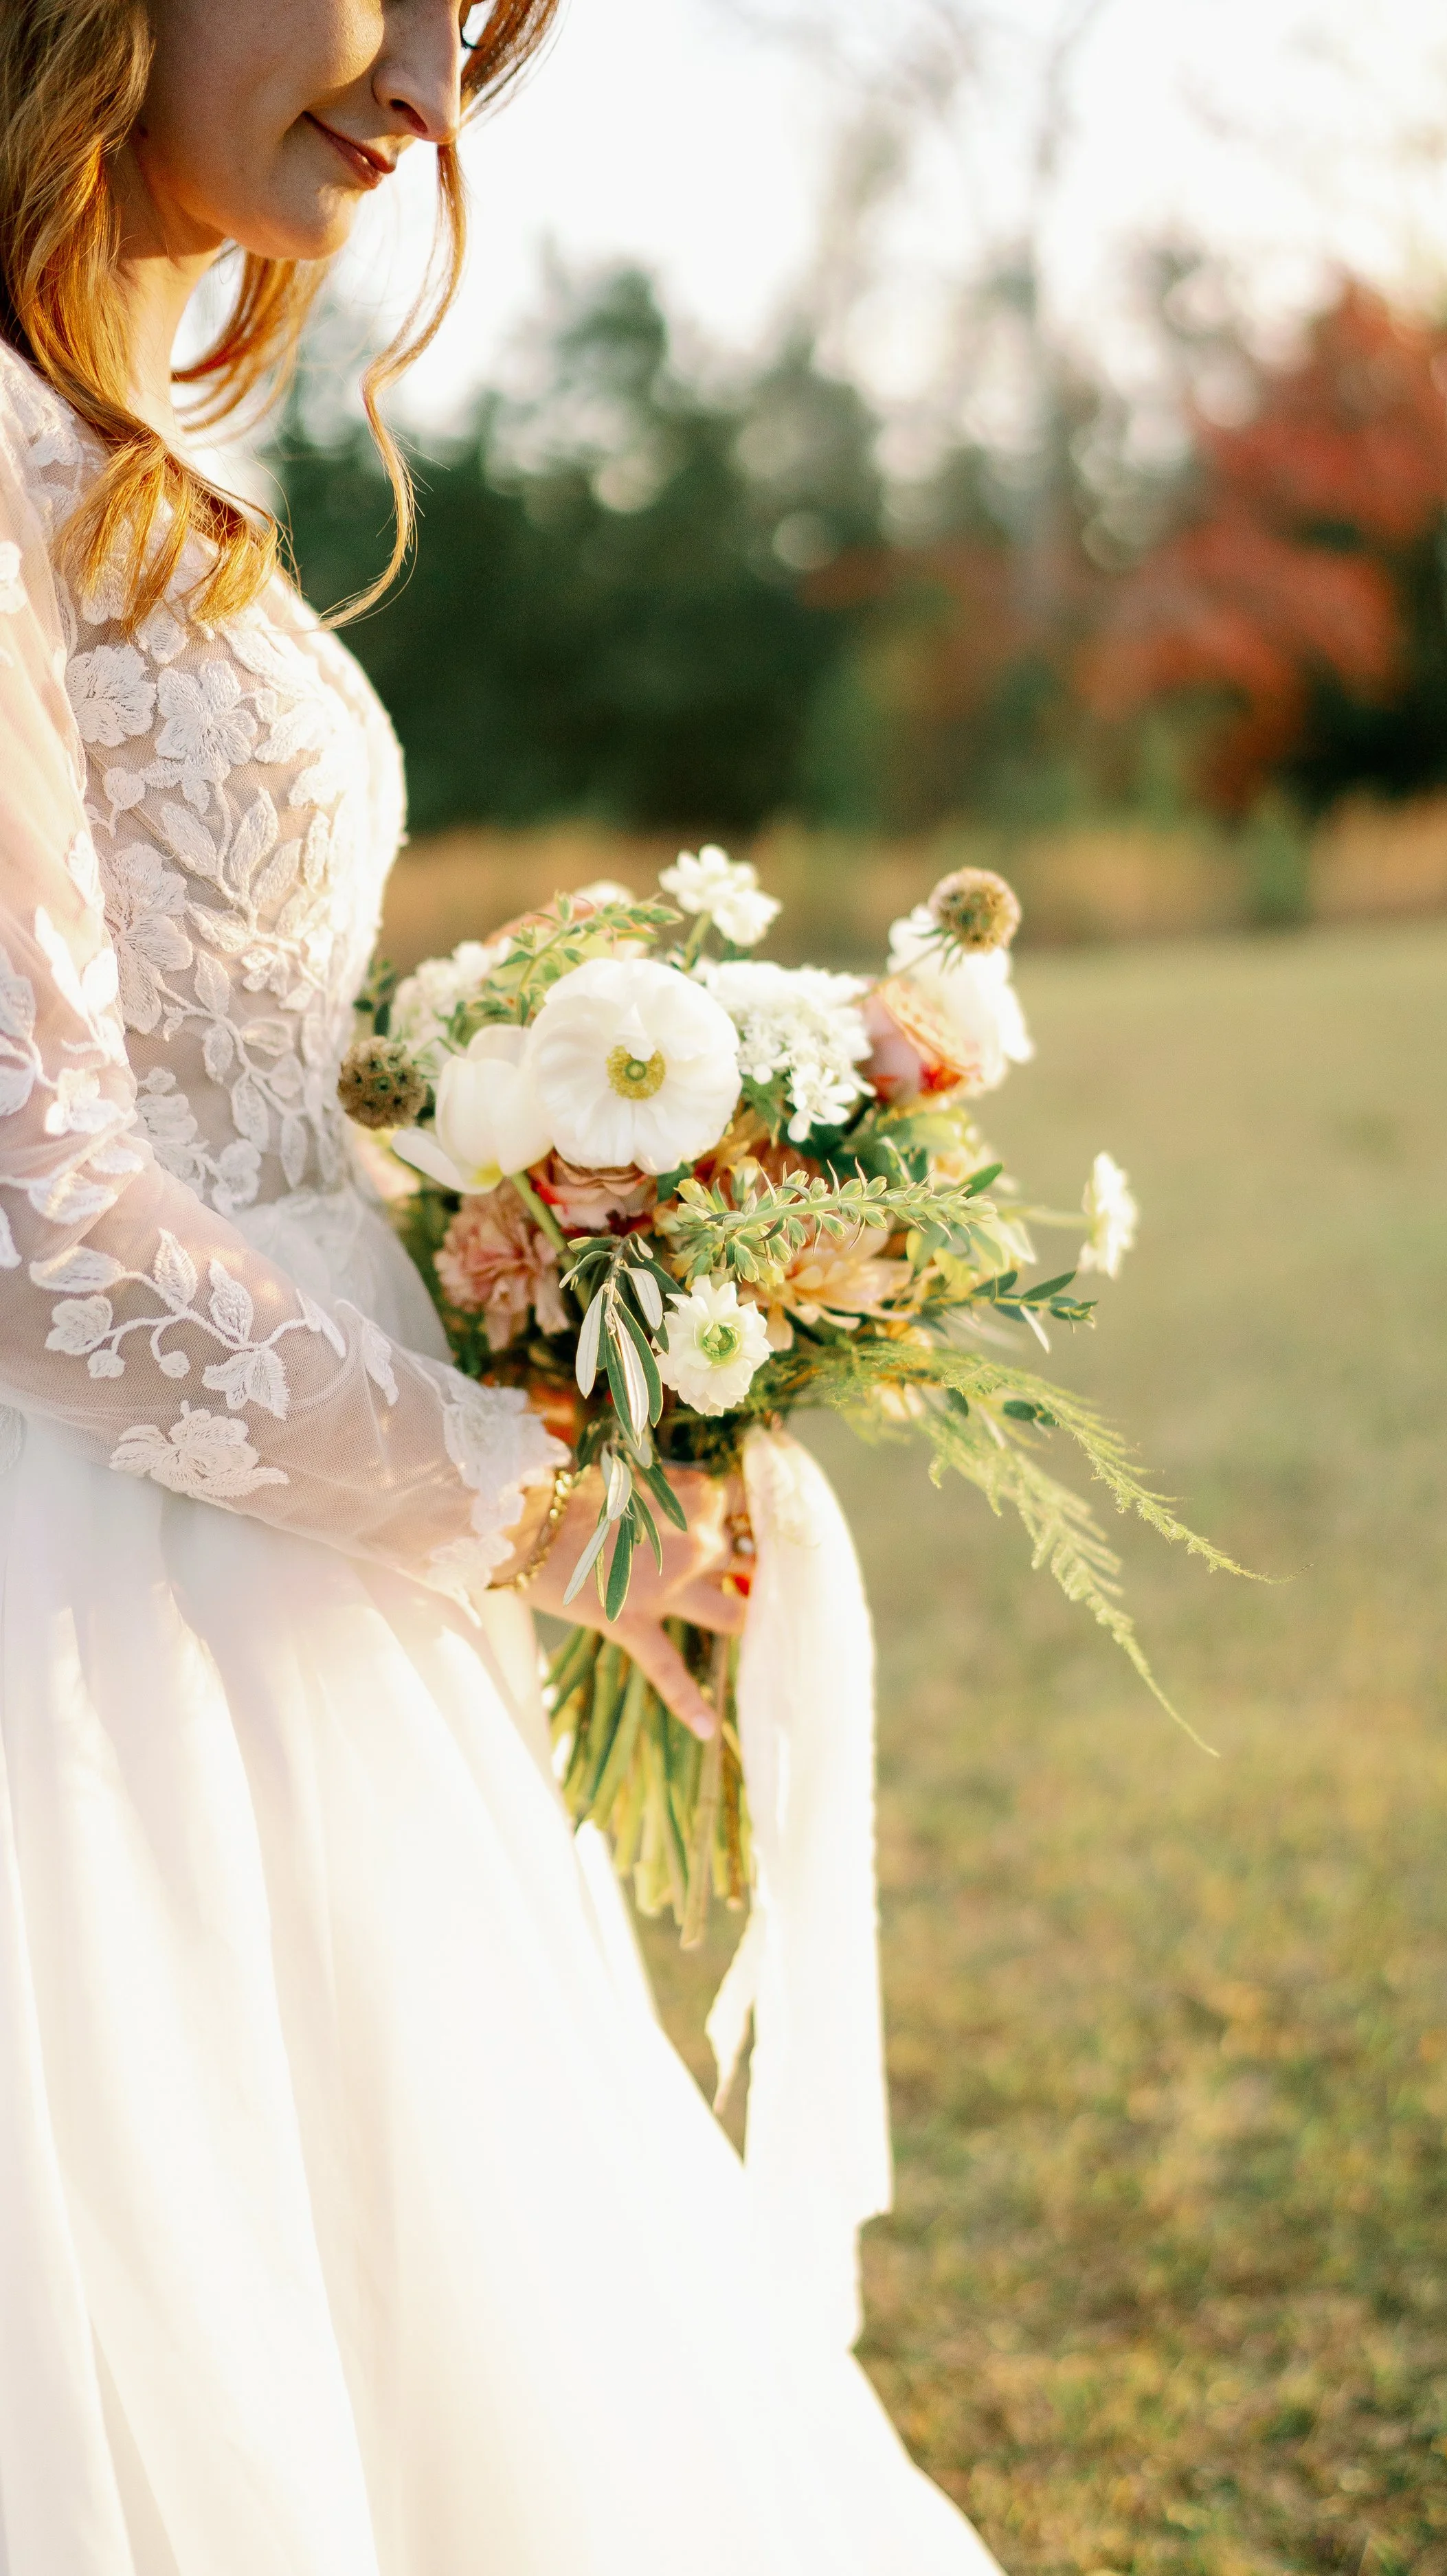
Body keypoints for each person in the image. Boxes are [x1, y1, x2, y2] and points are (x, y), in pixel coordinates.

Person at [0, 5, 1002, 2568]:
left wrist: (560, 1243)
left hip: (279, 1574)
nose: (437, 96)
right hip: (105, 1625)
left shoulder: (91, 433)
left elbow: (209, 1056)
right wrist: (531, 1503)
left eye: (487, 33)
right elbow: (30, 1205)